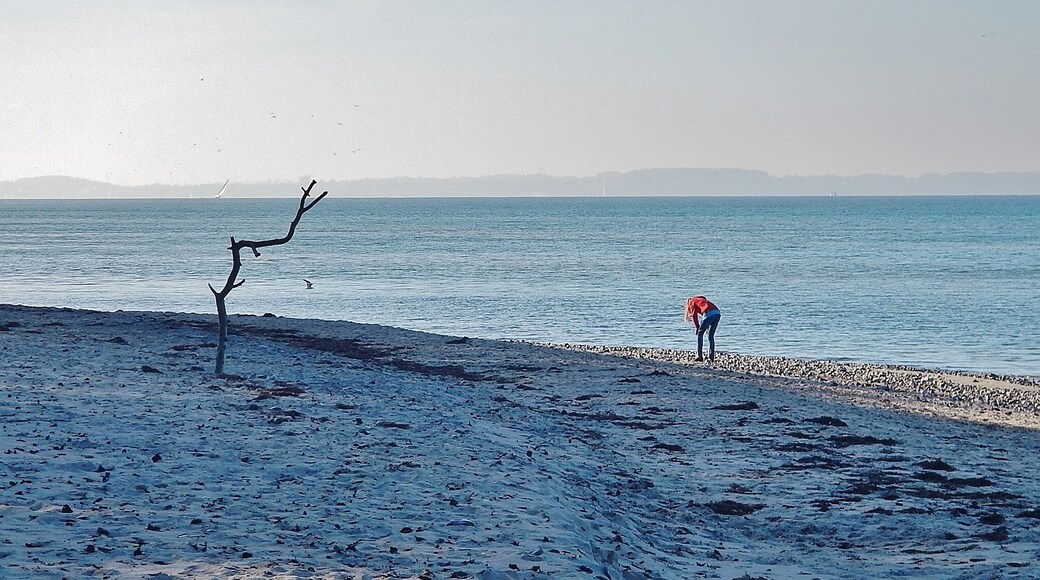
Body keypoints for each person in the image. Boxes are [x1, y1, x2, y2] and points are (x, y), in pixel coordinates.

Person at [684, 295, 721, 362]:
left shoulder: (692, 301)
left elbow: (694, 316)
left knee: (700, 334)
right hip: (717, 313)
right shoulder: (702, 300)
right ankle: (711, 357)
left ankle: (699, 356)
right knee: (711, 336)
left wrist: (697, 327)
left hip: (709, 314)